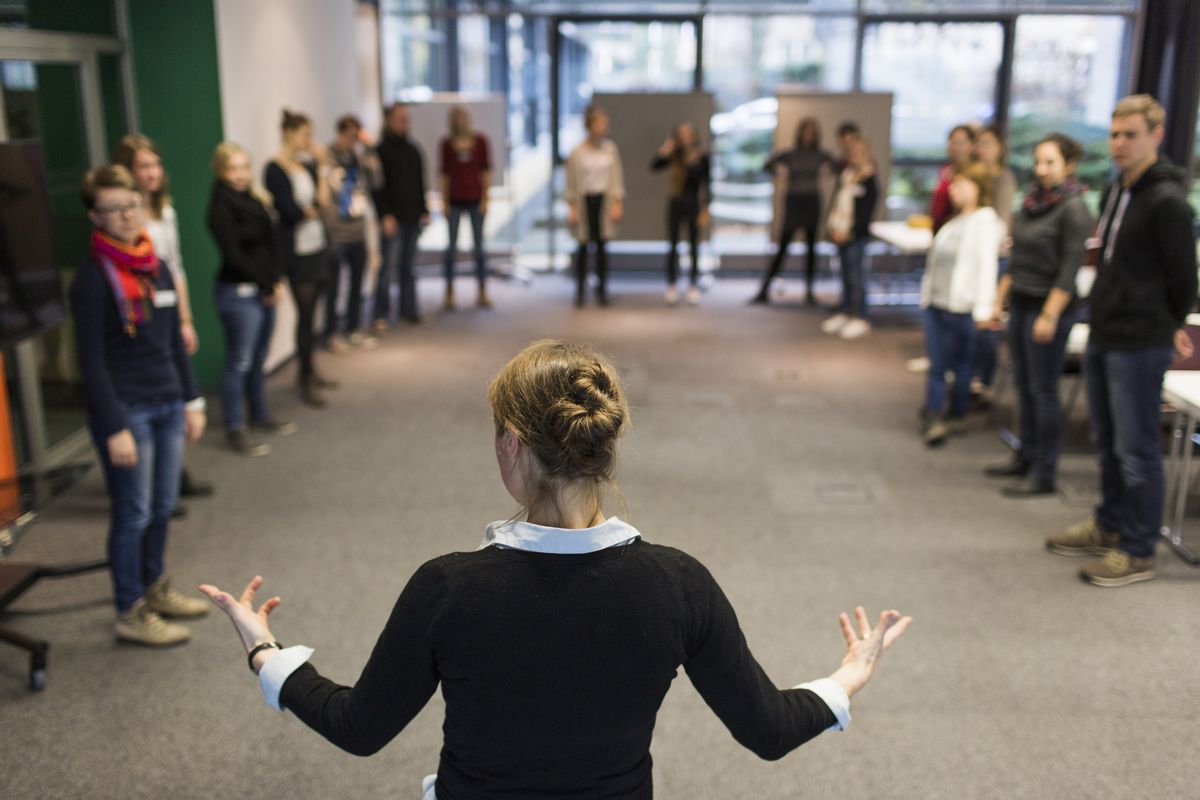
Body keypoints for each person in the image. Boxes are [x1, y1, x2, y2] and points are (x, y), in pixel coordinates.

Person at [200, 339, 912, 799]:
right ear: (604, 446)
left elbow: (358, 727)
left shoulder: (448, 588)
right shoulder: (678, 585)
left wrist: (267, 653)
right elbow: (769, 729)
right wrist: (848, 675)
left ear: (511, 446)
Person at [1045, 95, 1198, 587]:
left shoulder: (1168, 200)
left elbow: (1184, 280)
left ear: (1156, 135)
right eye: (1114, 135)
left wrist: (1165, 322)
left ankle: (1137, 549)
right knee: (1107, 442)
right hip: (1107, 331)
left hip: (1141, 338)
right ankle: (1109, 525)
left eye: (1130, 134)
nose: (1119, 144)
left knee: (1137, 449)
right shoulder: (1118, 189)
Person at [71, 165, 209, 645]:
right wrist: (114, 427)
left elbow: (174, 343)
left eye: (132, 205)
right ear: (96, 216)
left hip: (169, 401)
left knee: (163, 506)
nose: (127, 215)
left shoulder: (157, 266)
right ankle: (129, 609)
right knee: (133, 512)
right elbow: (90, 360)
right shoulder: (92, 279)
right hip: (127, 410)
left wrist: (191, 400)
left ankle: (154, 588)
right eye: (113, 208)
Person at [985, 134, 1092, 497]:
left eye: (1050, 162)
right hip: (1022, 302)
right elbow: (1017, 258)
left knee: (1044, 390)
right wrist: (1001, 299)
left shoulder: (1074, 208)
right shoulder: (1031, 203)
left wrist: (1049, 314)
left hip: (1050, 307)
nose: (1041, 169)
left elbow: (1069, 267)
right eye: (1038, 161)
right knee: (1024, 386)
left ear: (1069, 165)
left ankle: (1045, 472)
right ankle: (1025, 455)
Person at [113, 133, 214, 507]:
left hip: (168, 313)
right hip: (141, 317)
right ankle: (156, 483)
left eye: (156, 165)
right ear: (128, 171)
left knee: (177, 392)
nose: (152, 172)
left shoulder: (165, 210)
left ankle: (174, 475)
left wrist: (185, 320)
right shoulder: (125, 219)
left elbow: (176, 268)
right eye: (144, 166)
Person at [207, 142, 296, 458]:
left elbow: (270, 244)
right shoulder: (220, 207)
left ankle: (259, 415)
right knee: (239, 362)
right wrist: (266, 284)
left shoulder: (253, 200)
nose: (240, 174)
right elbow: (234, 255)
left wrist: (275, 279)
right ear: (221, 171)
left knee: (259, 358)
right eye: (233, 168)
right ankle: (235, 426)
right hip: (238, 294)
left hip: (264, 290)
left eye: (244, 167)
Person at [919, 161, 1005, 447]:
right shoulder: (953, 220)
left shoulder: (985, 221)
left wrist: (984, 309)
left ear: (978, 188)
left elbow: (986, 267)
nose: (953, 191)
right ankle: (935, 412)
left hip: (961, 307)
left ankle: (954, 412)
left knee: (961, 366)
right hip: (937, 302)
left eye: (960, 185)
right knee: (938, 364)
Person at [265, 109, 335, 408]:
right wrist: (308, 210)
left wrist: (321, 167)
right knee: (304, 316)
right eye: (305, 134)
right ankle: (304, 376)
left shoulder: (306, 166)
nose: (310, 140)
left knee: (314, 313)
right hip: (296, 254)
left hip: (317, 246)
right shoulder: (274, 169)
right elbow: (291, 212)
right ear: (289, 134)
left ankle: (309, 369)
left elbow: (323, 203)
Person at [752, 118, 834, 305]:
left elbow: (837, 164)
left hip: (812, 201)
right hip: (794, 201)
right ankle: (764, 290)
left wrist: (827, 171)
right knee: (782, 246)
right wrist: (779, 173)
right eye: (806, 132)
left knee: (811, 247)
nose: (808, 136)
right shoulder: (791, 154)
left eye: (812, 132)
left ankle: (810, 292)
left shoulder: (820, 155)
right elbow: (767, 164)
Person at [321, 114, 378, 352]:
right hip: (337, 234)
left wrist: (369, 150)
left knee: (357, 284)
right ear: (341, 132)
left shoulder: (359, 157)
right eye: (351, 134)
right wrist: (330, 226)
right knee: (334, 288)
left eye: (357, 135)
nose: (354, 139)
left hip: (357, 231)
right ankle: (332, 333)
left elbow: (376, 182)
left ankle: (353, 329)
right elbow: (325, 194)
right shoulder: (327, 156)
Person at [970, 125, 1018, 400]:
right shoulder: (974, 176)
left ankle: (984, 381)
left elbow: (1000, 222)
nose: (982, 149)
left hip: (994, 257)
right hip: (974, 257)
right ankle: (971, 374)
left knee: (987, 319)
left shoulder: (1003, 178)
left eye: (988, 143)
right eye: (980, 143)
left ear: (1000, 147)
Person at [372, 102, 429, 327]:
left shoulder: (414, 149)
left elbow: (420, 183)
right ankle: (381, 314)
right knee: (387, 268)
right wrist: (385, 214)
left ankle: (409, 310)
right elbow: (377, 188)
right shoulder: (380, 152)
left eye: (406, 118)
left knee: (409, 266)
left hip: (413, 217)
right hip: (392, 219)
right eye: (399, 118)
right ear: (388, 121)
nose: (404, 122)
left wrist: (424, 210)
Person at [565, 104, 625, 307]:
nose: (603, 127)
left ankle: (602, 290)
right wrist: (572, 207)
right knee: (582, 246)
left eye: (605, 124)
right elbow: (571, 182)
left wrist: (617, 202)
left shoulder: (610, 149)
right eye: (600, 123)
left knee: (601, 247)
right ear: (590, 125)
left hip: (604, 202)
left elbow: (616, 178)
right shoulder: (577, 152)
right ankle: (580, 291)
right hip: (584, 202)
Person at [821, 137, 879, 340]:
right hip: (839, 230)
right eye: (851, 153)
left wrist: (850, 232)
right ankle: (846, 311)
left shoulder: (869, 179)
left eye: (858, 153)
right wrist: (832, 229)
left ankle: (860, 316)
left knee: (857, 277)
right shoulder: (846, 175)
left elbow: (865, 213)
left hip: (855, 235)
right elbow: (837, 203)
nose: (854, 157)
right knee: (845, 275)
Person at [651, 122, 711, 306]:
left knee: (694, 246)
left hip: (693, 203)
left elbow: (707, 184)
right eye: (681, 134)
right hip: (675, 202)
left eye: (687, 133)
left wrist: (705, 207)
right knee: (673, 245)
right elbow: (654, 165)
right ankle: (672, 285)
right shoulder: (673, 156)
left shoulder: (701, 156)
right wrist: (668, 146)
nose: (685, 137)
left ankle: (693, 284)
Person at [439, 105, 492, 310]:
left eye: (462, 117)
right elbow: (444, 175)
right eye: (456, 118)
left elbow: (486, 173)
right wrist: (443, 202)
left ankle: (482, 291)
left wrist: (486, 199)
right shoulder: (446, 144)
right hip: (454, 201)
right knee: (451, 248)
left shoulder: (480, 142)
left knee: (479, 248)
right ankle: (450, 292)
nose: (460, 121)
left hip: (475, 199)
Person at [929, 125, 976, 234]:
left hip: (957, 232)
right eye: (952, 142)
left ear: (972, 145)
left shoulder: (972, 174)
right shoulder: (946, 169)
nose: (954, 147)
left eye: (959, 142)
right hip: (939, 230)